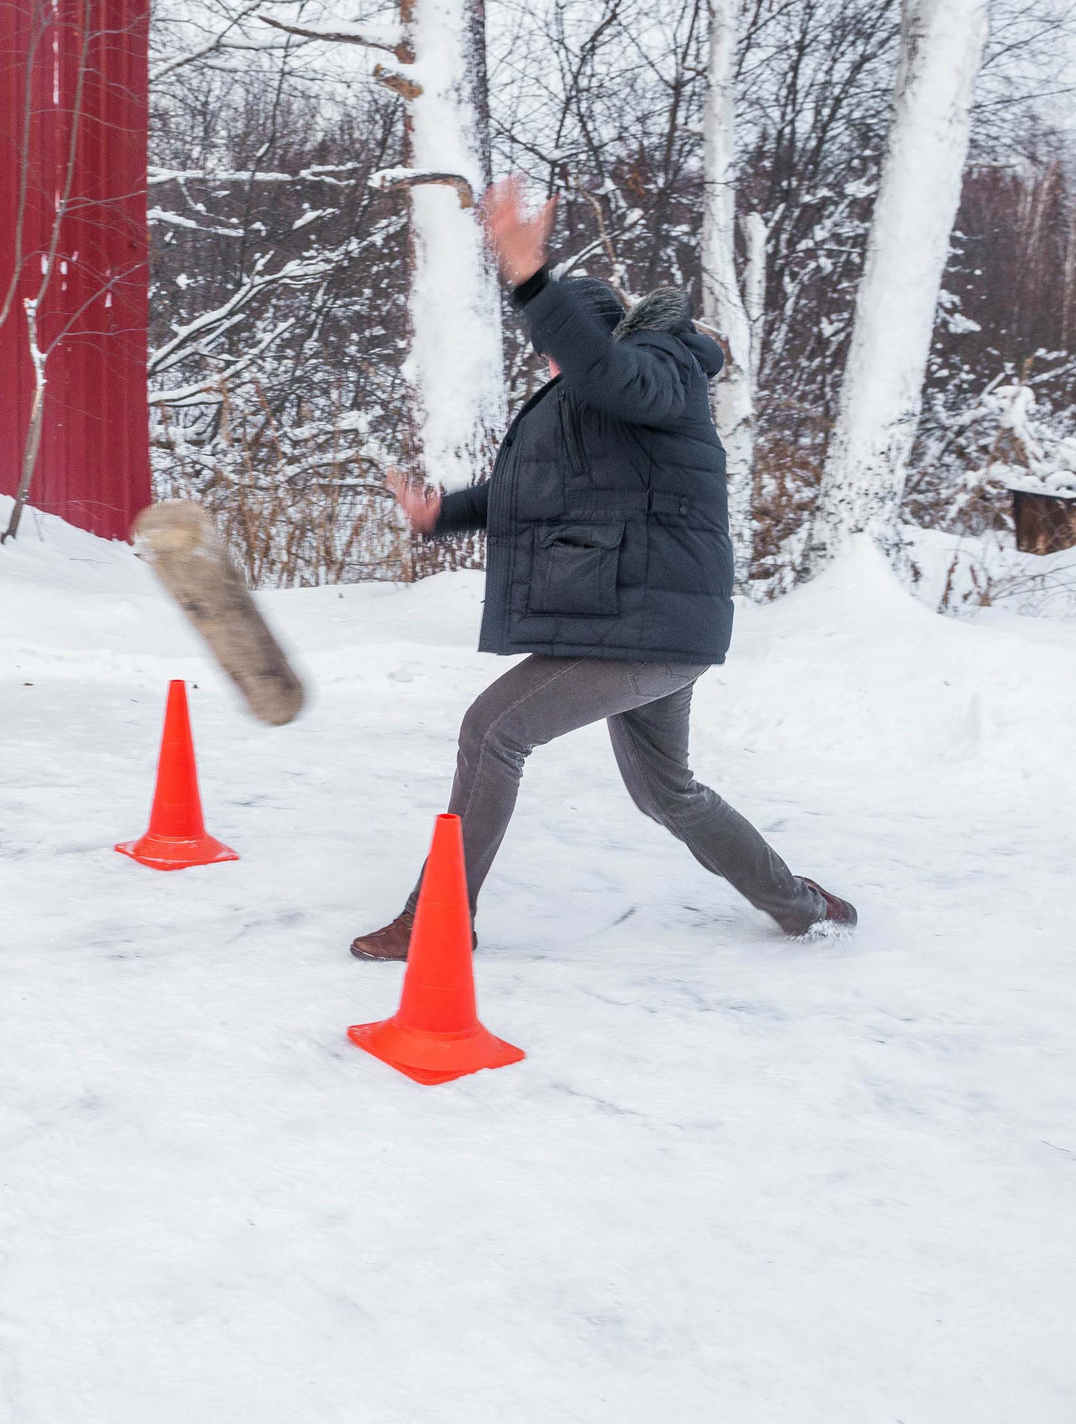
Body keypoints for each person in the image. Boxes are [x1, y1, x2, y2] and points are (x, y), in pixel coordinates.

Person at [354, 175, 855, 960]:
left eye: (557, 349)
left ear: (588, 340)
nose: (552, 365)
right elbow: (527, 492)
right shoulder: (603, 406)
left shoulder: (660, 367)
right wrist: (440, 514)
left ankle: (437, 920)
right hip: (642, 618)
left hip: (646, 624)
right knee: (667, 791)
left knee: (491, 733)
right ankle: (800, 904)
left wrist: (530, 275)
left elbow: (609, 369)